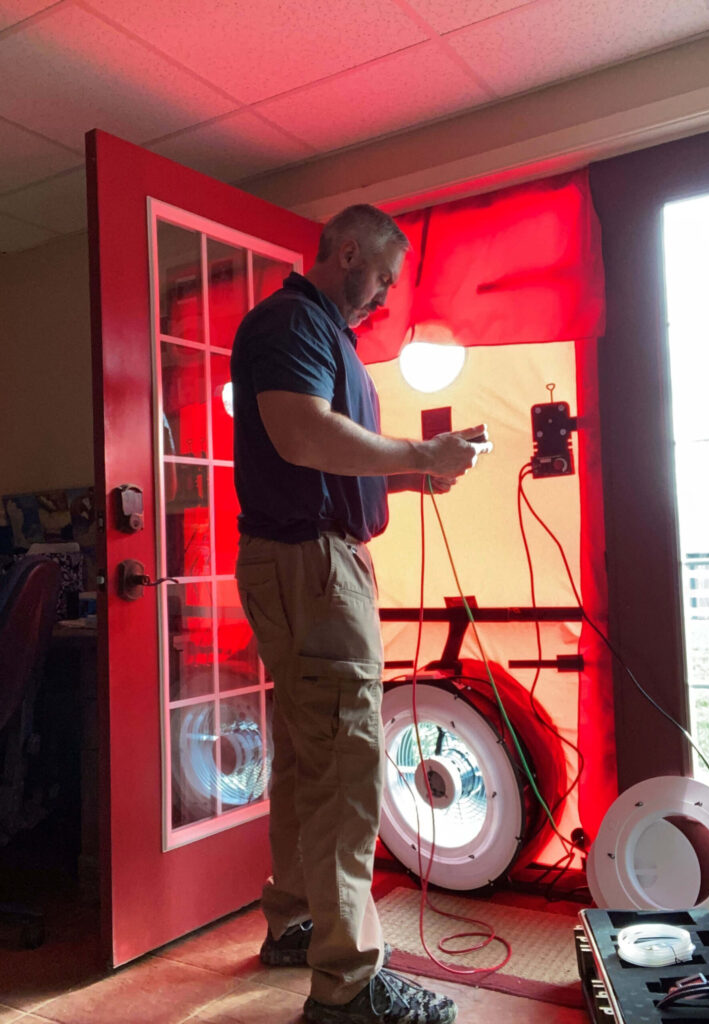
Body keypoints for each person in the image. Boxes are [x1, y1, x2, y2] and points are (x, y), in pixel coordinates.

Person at [231, 204, 491, 1024]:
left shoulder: (319, 336)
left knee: (311, 756)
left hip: (308, 559)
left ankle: (297, 925)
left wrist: (418, 473)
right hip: (313, 566)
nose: (383, 297)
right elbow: (304, 436)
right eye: (381, 277)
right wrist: (418, 454)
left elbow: (324, 457)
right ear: (346, 252)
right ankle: (347, 985)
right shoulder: (289, 322)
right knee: (345, 762)